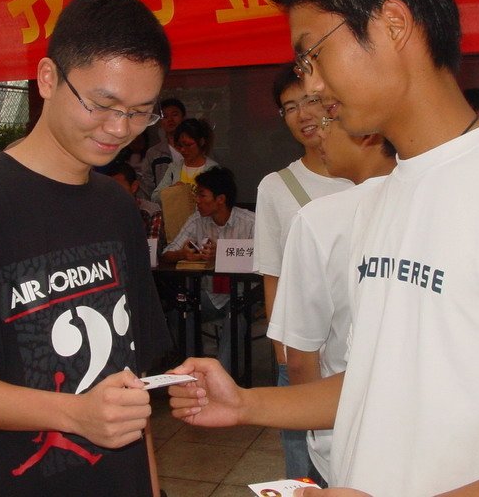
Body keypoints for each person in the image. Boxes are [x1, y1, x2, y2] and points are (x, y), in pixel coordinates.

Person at [169, 0, 479, 497]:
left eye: (313, 56)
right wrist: (245, 403)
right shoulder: (375, 203)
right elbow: (374, 384)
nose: (313, 88)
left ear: (393, 24)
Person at [0, 0, 173, 497]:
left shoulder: (117, 208)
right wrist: (76, 413)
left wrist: (150, 487)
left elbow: (130, 379)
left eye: (141, 112)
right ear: (48, 78)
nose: (120, 129)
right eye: (102, 105)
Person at [267, 116, 396, 485]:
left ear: (369, 132)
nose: (318, 135)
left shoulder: (319, 219)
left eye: (330, 120)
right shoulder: (439, 205)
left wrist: (315, 430)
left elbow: (300, 358)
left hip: (338, 437)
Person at [254, 64, 352, 482]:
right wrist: (283, 354)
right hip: (301, 354)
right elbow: (272, 275)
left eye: (310, 100)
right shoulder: (275, 187)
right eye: (290, 107)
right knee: (302, 471)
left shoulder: (370, 173)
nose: (303, 114)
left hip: (359, 351)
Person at [161, 167, 254, 373]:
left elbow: (265, 258)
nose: (197, 200)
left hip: (242, 295)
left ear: (220, 199)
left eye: (202, 195)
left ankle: (220, 376)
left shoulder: (249, 222)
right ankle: (192, 372)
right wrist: (183, 254)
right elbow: (167, 253)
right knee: (180, 312)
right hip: (210, 294)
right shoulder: (197, 220)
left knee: (236, 316)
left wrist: (221, 254)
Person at [151, 118, 218, 203]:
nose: (182, 150)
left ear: (201, 142)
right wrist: (172, 191)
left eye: (188, 145)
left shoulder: (213, 170)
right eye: (179, 145)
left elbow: (218, 202)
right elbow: (155, 197)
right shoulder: (174, 167)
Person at [138, 98, 186, 200]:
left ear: (183, 118)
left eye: (175, 114)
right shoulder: (154, 153)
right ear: (160, 122)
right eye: (165, 116)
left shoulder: (195, 148)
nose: (170, 120)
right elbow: (147, 187)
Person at [105, 161, 164, 242]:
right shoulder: (104, 212)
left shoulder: (151, 212)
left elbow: (153, 246)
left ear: (134, 187)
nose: (113, 194)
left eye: (119, 188)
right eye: (110, 189)